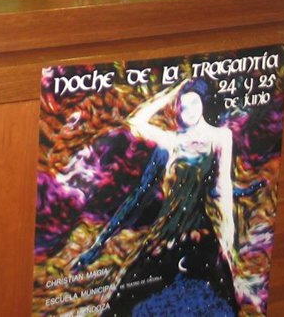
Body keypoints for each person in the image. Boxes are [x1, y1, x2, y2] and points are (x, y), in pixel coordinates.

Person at [76, 79, 241, 315]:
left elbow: (222, 189)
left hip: (198, 231)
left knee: (219, 300)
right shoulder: (172, 141)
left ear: (203, 104)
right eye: (183, 106)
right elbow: (135, 121)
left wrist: (227, 236)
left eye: (194, 103)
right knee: (123, 302)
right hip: (164, 233)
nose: (189, 111)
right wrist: (174, 90)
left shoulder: (221, 136)